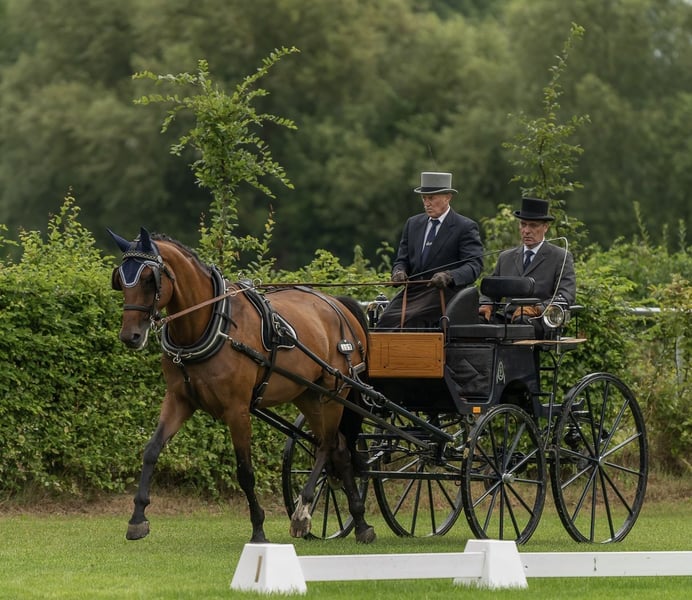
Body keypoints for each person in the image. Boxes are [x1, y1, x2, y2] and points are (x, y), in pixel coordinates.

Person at [377, 171, 483, 329]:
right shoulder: (413, 224)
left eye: (431, 198)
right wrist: (399, 271)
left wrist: (449, 276)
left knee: (412, 319)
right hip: (413, 292)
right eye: (424, 198)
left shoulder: (464, 227)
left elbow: (474, 266)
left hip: (444, 293)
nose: (426, 203)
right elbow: (402, 260)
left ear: (447, 197)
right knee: (385, 321)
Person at [478, 197, 576, 336]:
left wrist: (537, 308)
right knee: (479, 320)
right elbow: (491, 292)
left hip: (539, 320)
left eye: (533, 225)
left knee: (522, 321)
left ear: (545, 227)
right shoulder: (506, 257)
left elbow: (566, 295)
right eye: (523, 225)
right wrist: (486, 305)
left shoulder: (560, 257)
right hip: (508, 317)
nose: (526, 230)